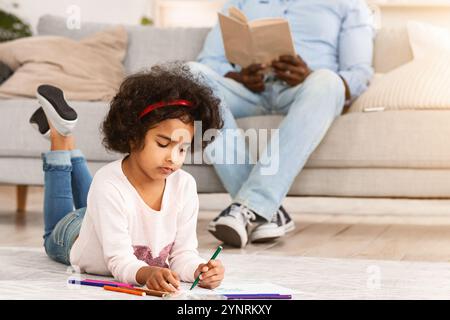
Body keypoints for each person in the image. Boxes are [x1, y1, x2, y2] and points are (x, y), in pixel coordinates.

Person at [188, 0, 374, 248]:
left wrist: (309, 74)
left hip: (306, 91)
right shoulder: (239, 2)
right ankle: (265, 210)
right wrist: (239, 76)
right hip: (249, 91)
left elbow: (359, 72)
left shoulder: (348, 4)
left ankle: (249, 207)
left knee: (328, 81)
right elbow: (208, 60)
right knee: (191, 73)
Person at [29, 64, 225, 292]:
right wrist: (146, 273)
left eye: (182, 149)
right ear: (133, 137)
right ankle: (61, 138)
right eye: (163, 144)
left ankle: (65, 133)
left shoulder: (185, 185)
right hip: (74, 233)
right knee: (51, 233)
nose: (174, 158)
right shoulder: (107, 184)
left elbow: (183, 254)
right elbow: (119, 261)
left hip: (106, 213)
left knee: (101, 195)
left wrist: (199, 269)